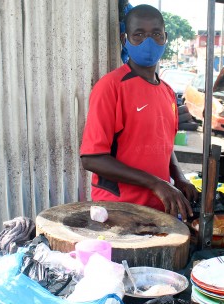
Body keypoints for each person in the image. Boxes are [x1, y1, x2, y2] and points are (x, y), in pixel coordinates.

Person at [80, 4, 198, 221]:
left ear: (165, 37)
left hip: (160, 210)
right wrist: (156, 183)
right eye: (139, 34)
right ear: (125, 39)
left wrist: (178, 177)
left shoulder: (168, 92)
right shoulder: (111, 87)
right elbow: (91, 158)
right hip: (117, 212)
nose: (148, 41)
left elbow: (164, 144)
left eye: (155, 33)